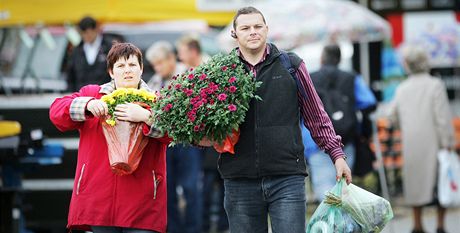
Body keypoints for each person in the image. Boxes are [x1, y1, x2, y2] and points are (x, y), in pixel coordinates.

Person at [199, 7, 352, 233]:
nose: (253, 32)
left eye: (258, 26)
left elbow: (316, 115)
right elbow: (203, 122)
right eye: (245, 28)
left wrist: (337, 155)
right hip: (239, 179)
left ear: (267, 30)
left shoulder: (291, 65)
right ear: (235, 34)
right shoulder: (221, 71)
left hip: (287, 178)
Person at [50, 43, 170, 233]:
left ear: (141, 68)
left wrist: (146, 116)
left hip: (143, 202)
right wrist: (87, 105)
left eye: (132, 65)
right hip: (99, 200)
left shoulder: (157, 100)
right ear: (111, 72)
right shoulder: (93, 94)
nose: (127, 71)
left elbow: (173, 134)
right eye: (120, 66)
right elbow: (56, 113)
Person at [387, 45, 455, 233]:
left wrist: (404, 127)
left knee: (415, 184)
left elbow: (392, 115)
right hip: (435, 143)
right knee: (440, 183)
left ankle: (417, 225)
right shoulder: (435, 84)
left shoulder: (402, 88)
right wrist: (448, 142)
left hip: (412, 143)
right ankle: (440, 225)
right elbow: (442, 117)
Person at [306, 44, 377, 201]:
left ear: (322, 59)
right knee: (343, 185)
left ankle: (329, 222)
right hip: (346, 138)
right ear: (339, 60)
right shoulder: (352, 78)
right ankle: (342, 224)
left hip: (315, 140)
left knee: (324, 187)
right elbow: (369, 102)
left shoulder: (310, 78)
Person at [146, 39, 203, 233]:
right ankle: (173, 229)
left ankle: (194, 229)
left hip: (187, 143)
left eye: (160, 63)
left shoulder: (189, 75)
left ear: (171, 58)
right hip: (163, 144)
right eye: (155, 65)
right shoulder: (153, 81)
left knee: (190, 187)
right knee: (166, 189)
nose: (158, 68)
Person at [67, 16, 113, 92]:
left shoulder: (109, 47)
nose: (86, 36)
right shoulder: (76, 51)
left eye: (88, 32)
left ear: (96, 30)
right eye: (83, 33)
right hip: (82, 96)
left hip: (105, 94)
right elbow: (71, 76)